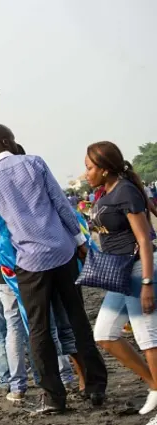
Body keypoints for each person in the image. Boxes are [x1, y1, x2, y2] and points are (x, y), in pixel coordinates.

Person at [0, 123, 107, 413]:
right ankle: (96, 387)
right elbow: (61, 205)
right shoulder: (34, 162)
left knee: (38, 330)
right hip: (61, 251)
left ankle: (54, 397)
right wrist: (80, 240)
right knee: (77, 319)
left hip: (29, 262)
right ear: (8, 141)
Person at [85, 142, 157, 417]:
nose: (86, 173)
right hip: (119, 273)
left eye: (90, 167)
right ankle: (154, 385)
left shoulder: (125, 191)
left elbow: (145, 239)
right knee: (104, 334)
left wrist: (148, 283)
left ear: (104, 170)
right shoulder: (106, 192)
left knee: (148, 338)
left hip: (139, 270)